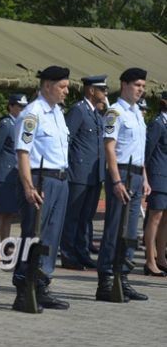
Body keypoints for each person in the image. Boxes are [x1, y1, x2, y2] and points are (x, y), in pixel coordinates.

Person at [11, 66, 71, 313]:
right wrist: (28, 186)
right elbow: (22, 153)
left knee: (51, 237)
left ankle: (42, 285)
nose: (66, 91)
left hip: (60, 179)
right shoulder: (32, 113)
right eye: (62, 87)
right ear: (47, 86)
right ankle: (24, 288)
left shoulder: (57, 112)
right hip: (40, 179)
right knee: (33, 235)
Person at [95, 68, 150, 301]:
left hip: (136, 173)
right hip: (122, 174)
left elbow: (140, 150)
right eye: (137, 85)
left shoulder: (137, 112)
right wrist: (116, 180)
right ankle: (106, 280)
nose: (141, 89)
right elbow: (109, 147)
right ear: (125, 85)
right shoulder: (115, 113)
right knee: (115, 227)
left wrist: (145, 178)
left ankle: (123, 276)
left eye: (143, 86)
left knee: (130, 230)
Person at [60, 75, 108, 270]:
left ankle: (82, 252)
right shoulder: (78, 111)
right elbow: (67, 140)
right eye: (102, 89)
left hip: (94, 174)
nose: (105, 93)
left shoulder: (96, 114)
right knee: (73, 215)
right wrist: (69, 167)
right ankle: (69, 254)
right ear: (91, 90)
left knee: (86, 216)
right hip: (79, 172)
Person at [0, 94, 27, 261]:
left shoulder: (20, 125)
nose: (21, 110)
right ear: (10, 107)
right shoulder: (6, 124)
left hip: (14, 174)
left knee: (8, 213)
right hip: (3, 173)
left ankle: (5, 246)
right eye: (18, 106)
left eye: (24, 107)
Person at [144, 91, 167, 276]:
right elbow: (147, 152)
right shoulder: (157, 124)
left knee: (165, 220)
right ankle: (150, 260)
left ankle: (161, 258)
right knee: (155, 218)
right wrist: (146, 177)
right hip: (158, 177)